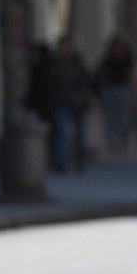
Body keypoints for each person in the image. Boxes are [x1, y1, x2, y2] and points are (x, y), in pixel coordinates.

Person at [51, 37, 92, 173]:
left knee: (79, 133)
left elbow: (85, 80)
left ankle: (80, 160)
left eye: (67, 46)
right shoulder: (56, 64)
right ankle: (61, 161)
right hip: (61, 101)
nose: (65, 49)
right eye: (62, 46)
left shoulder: (77, 62)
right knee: (61, 132)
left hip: (77, 102)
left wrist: (82, 96)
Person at [96, 35, 137, 153]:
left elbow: (131, 75)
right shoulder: (107, 60)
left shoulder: (127, 59)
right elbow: (101, 74)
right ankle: (111, 142)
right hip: (109, 89)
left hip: (122, 89)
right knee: (110, 118)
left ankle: (123, 140)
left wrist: (132, 92)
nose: (117, 49)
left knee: (123, 117)